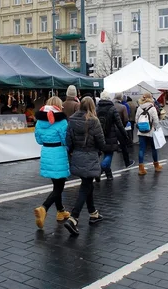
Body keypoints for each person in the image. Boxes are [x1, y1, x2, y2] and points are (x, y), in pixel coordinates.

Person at [64, 97, 106, 236]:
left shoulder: (72, 120)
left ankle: (93, 213)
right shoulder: (94, 121)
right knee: (85, 186)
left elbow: (68, 140)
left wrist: (73, 152)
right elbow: (100, 141)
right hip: (90, 156)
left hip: (77, 155)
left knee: (87, 184)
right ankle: (73, 218)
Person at [33, 96, 71, 229]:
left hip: (46, 152)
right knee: (60, 186)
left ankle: (60, 211)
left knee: (56, 184)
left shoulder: (39, 122)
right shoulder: (61, 121)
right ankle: (44, 207)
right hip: (58, 152)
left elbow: (38, 139)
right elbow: (66, 139)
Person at [135, 92, 162, 175]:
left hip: (141, 131)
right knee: (154, 148)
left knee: (141, 149)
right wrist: (156, 128)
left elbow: (136, 119)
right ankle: (156, 166)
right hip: (151, 131)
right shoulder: (152, 108)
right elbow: (156, 121)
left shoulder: (139, 108)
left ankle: (141, 169)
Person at [112, 92, 134, 167]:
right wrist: (123, 127)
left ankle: (106, 165)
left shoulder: (111, 106)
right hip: (120, 128)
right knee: (124, 146)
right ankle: (127, 162)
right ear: (121, 98)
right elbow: (126, 119)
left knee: (109, 147)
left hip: (111, 128)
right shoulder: (122, 107)